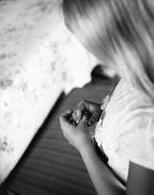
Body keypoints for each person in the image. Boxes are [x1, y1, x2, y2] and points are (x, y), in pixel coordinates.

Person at [60, 0, 154, 194]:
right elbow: (131, 119)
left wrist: (83, 145)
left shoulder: (145, 125)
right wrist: (106, 112)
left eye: (93, 46)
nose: (95, 57)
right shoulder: (142, 70)